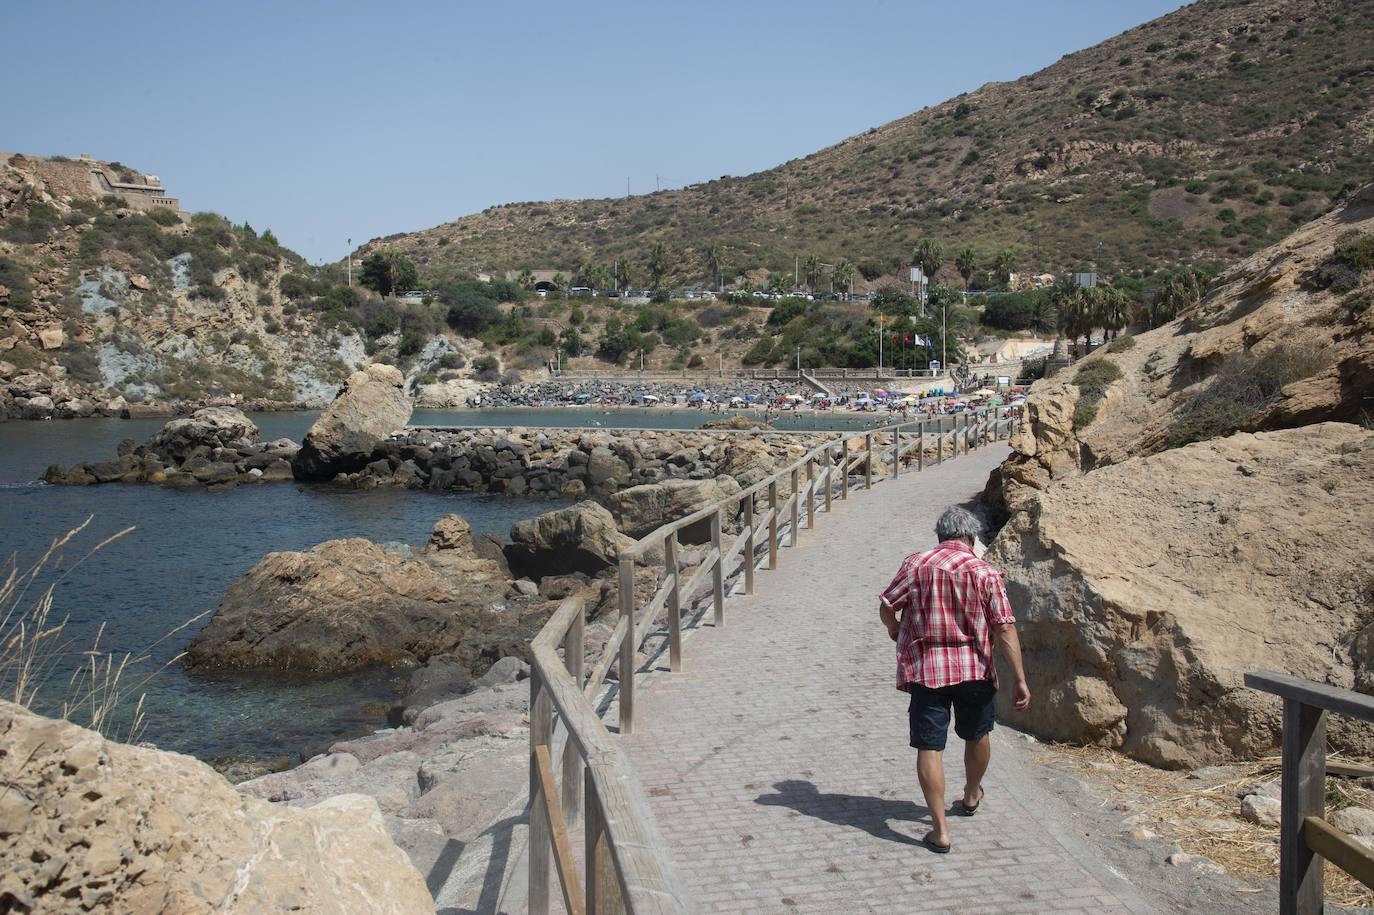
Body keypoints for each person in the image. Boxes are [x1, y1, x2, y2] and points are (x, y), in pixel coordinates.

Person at [878, 506, 1030, 854]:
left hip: (927, 671)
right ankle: (972, 793)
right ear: (972, 537)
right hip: (974, 669)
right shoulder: (985, 572)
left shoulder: (916, 563)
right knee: (977, 733)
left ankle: (940, 831)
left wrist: (895, 629)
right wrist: (1020, 678)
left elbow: (887, 604)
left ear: (940, 535)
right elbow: (1004, 628)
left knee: (929, 746)